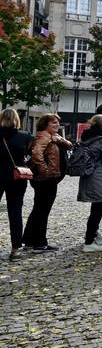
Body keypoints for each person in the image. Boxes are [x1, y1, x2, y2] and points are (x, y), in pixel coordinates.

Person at [24, 113, 72, 252]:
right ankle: (39, 243)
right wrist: (46, 172)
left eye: (58, 122)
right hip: (46, 180)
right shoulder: (44, 136)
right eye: (53, 123)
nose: (57, 125)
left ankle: (29, 240)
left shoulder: (51, 137)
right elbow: (36, 155)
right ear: (45, 124)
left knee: (38, 209)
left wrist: (59, 140)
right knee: (42, 211)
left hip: (46, 180)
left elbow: (69, 146)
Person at [75, 115, 102, 252]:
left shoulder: (86, 137)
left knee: (96, 208)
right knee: (99, 207)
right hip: (99, 175)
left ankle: (91, 237)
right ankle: (89, 241)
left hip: (87, 174)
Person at [1, 108, 32, 260]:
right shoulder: (25, 136)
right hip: (16, 177)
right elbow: (29, 155)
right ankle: (15, 248)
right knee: (15, 212)